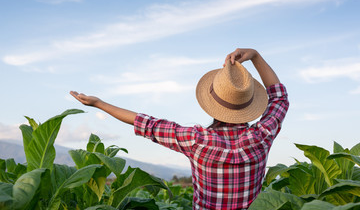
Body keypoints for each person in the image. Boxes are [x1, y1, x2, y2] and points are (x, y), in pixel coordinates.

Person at [70, 48, 289, 210]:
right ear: (249, 104)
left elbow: (147, 123)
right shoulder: (262, 136)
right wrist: (255, 56)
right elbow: (279, 98)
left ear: (212, 105)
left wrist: (98, 103)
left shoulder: (196, 140)